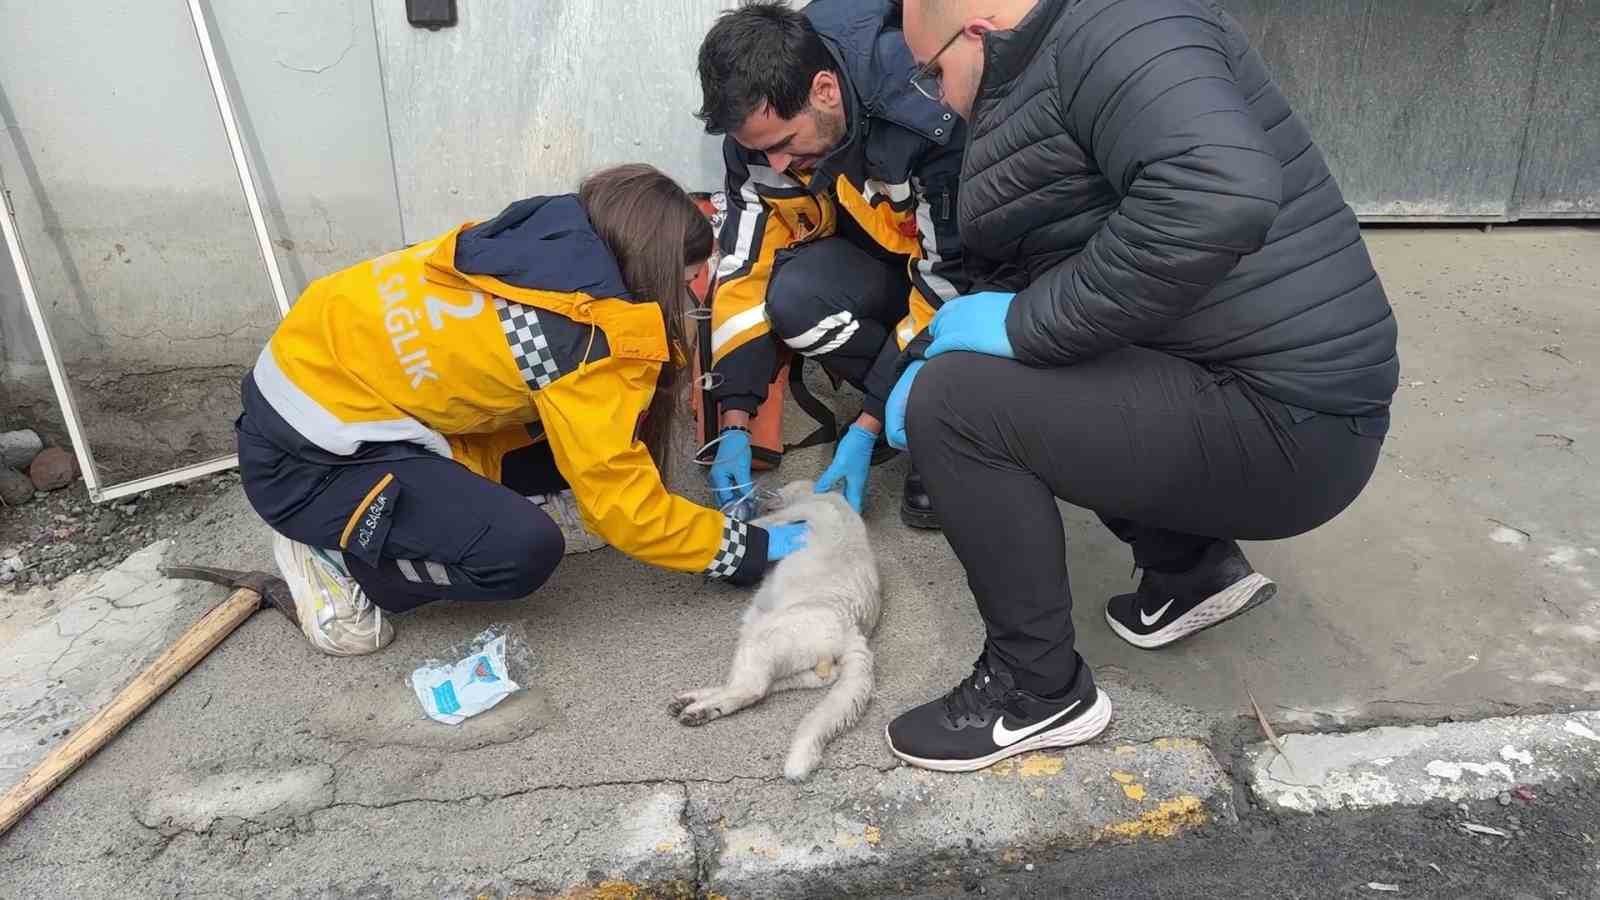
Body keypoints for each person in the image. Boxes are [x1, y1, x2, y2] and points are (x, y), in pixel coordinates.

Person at [881, 0, 1400, 771]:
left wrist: (1024, 328)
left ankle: (1037, 690)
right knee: (991, 373)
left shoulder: (1123, 27)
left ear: (979, 30)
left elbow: (1217, 192)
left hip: (1294, 423)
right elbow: (1052, 253)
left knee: (959, 406)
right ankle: (1191, 573)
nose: (941, 98)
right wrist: (919, 361)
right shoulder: (1053, 58)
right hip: (1252, 393)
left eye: (934, 73)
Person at [235, 164, 809, 656]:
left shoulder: (551, 239)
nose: (697, 290)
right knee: (519, 553)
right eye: (688, 278)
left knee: (590, 440)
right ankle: (342, 560)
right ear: (656, 268)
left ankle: (435, 510)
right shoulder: (583, 339)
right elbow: (629, 513)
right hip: (311, 462)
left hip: (327, 384)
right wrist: (751, 551)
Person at [695, 0, 969, 527]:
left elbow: (949, 281)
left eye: (783, 145)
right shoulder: (759, 141)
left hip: (965, 274)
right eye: (758, 150)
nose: (773, 163)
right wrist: (733, 420)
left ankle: (943, 423)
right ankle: (904, 409)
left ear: (825, 90)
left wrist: (865, 426)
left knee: (969, 313)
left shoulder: (923, 118)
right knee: (796, 297)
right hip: (879, 257)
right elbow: (742, 269)